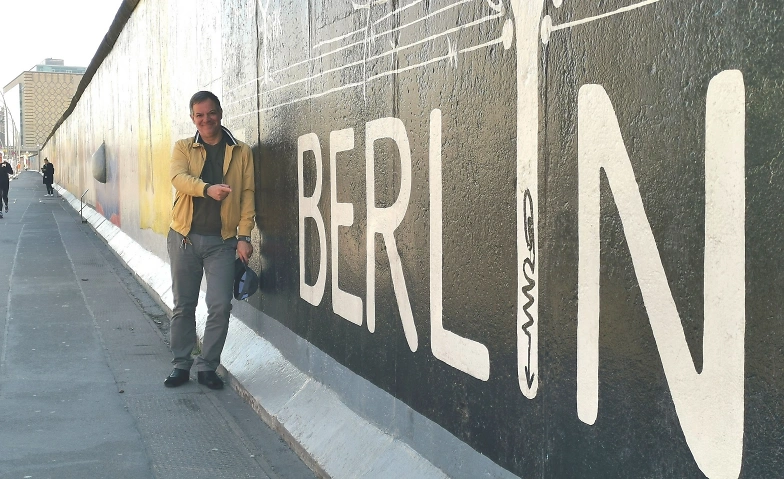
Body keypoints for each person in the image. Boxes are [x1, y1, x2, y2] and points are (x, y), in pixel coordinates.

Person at [164, 91, 256, 390]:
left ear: (220, 113)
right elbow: (178, 178)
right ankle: (181, 364)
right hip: (184, 238)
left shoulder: (241, 151)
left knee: (220, 306)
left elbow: (247, 195)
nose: (206, 120)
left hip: (222, 242)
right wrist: (207, 189)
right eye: (200, 115)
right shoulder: (183, 147)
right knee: (183, 305)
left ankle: (207, 366)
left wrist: (244, 236)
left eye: (211, 113)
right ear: (193, 118)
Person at [0, 153, 13, 217]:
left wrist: (6, 166)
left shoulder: (6, 164)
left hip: (5, 183)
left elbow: (11, 172)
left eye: (0, 157)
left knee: (4, 196)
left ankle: (6, 204)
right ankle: (0, 211)